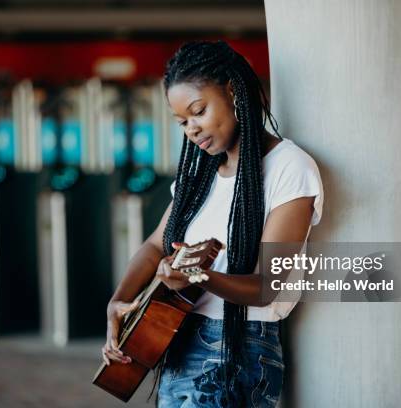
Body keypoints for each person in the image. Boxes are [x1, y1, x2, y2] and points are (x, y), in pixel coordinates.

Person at [102, 40, 324, 407]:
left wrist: (198, 276)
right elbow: (156, 245)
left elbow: (269, 284)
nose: (190, 128)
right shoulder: (200, 175)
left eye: (198, 111)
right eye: (182, 121)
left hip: (237, 348)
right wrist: (120, 300)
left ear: (234, 92)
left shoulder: (290, 167)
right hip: (179, 338)